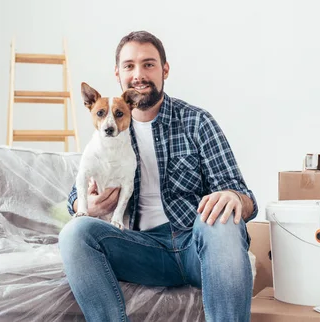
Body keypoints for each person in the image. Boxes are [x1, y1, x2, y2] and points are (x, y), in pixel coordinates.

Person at [59, 31, 258, 321]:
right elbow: (77, 195)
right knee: (74, 234)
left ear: (165, 69)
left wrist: (232, 197)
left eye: (148, 64)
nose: (139, 74)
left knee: (224, 221)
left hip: (195, 246)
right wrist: (84, 205)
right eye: (129, 66)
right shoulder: (106, 130)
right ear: (118, 74)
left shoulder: (197, 122)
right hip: (139, 249)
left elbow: (246, 200)